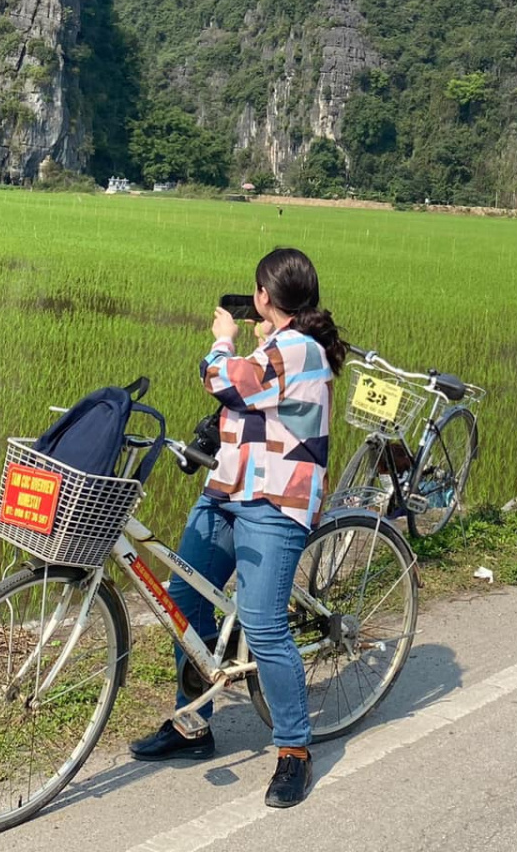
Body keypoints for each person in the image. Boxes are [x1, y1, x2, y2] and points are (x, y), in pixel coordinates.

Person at [129, 247, 344, 810]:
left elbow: (223, 380)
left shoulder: (300, 347)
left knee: (264, 624)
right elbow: (256, 405)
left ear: (263, 297)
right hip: (228, 489)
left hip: (275, 502)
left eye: (253, 295)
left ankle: (294, 751)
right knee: (186, 602)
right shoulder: (279, 344)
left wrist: (222, 338)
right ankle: (192, 725)